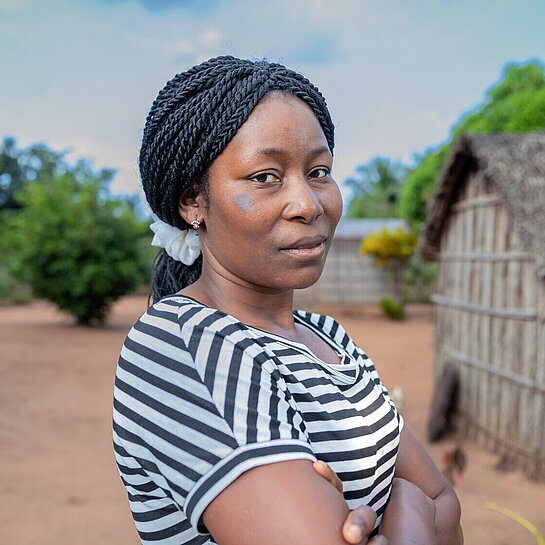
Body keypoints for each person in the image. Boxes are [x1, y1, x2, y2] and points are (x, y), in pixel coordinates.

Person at [113, 56, 462, 545]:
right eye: (265, 176)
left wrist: (407, 509)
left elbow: (446, 502)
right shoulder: (179, 345)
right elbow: (429, 506)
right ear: (193, 201)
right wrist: (409, 505)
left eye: (319, 171)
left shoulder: (329, 339)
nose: (308, 204)